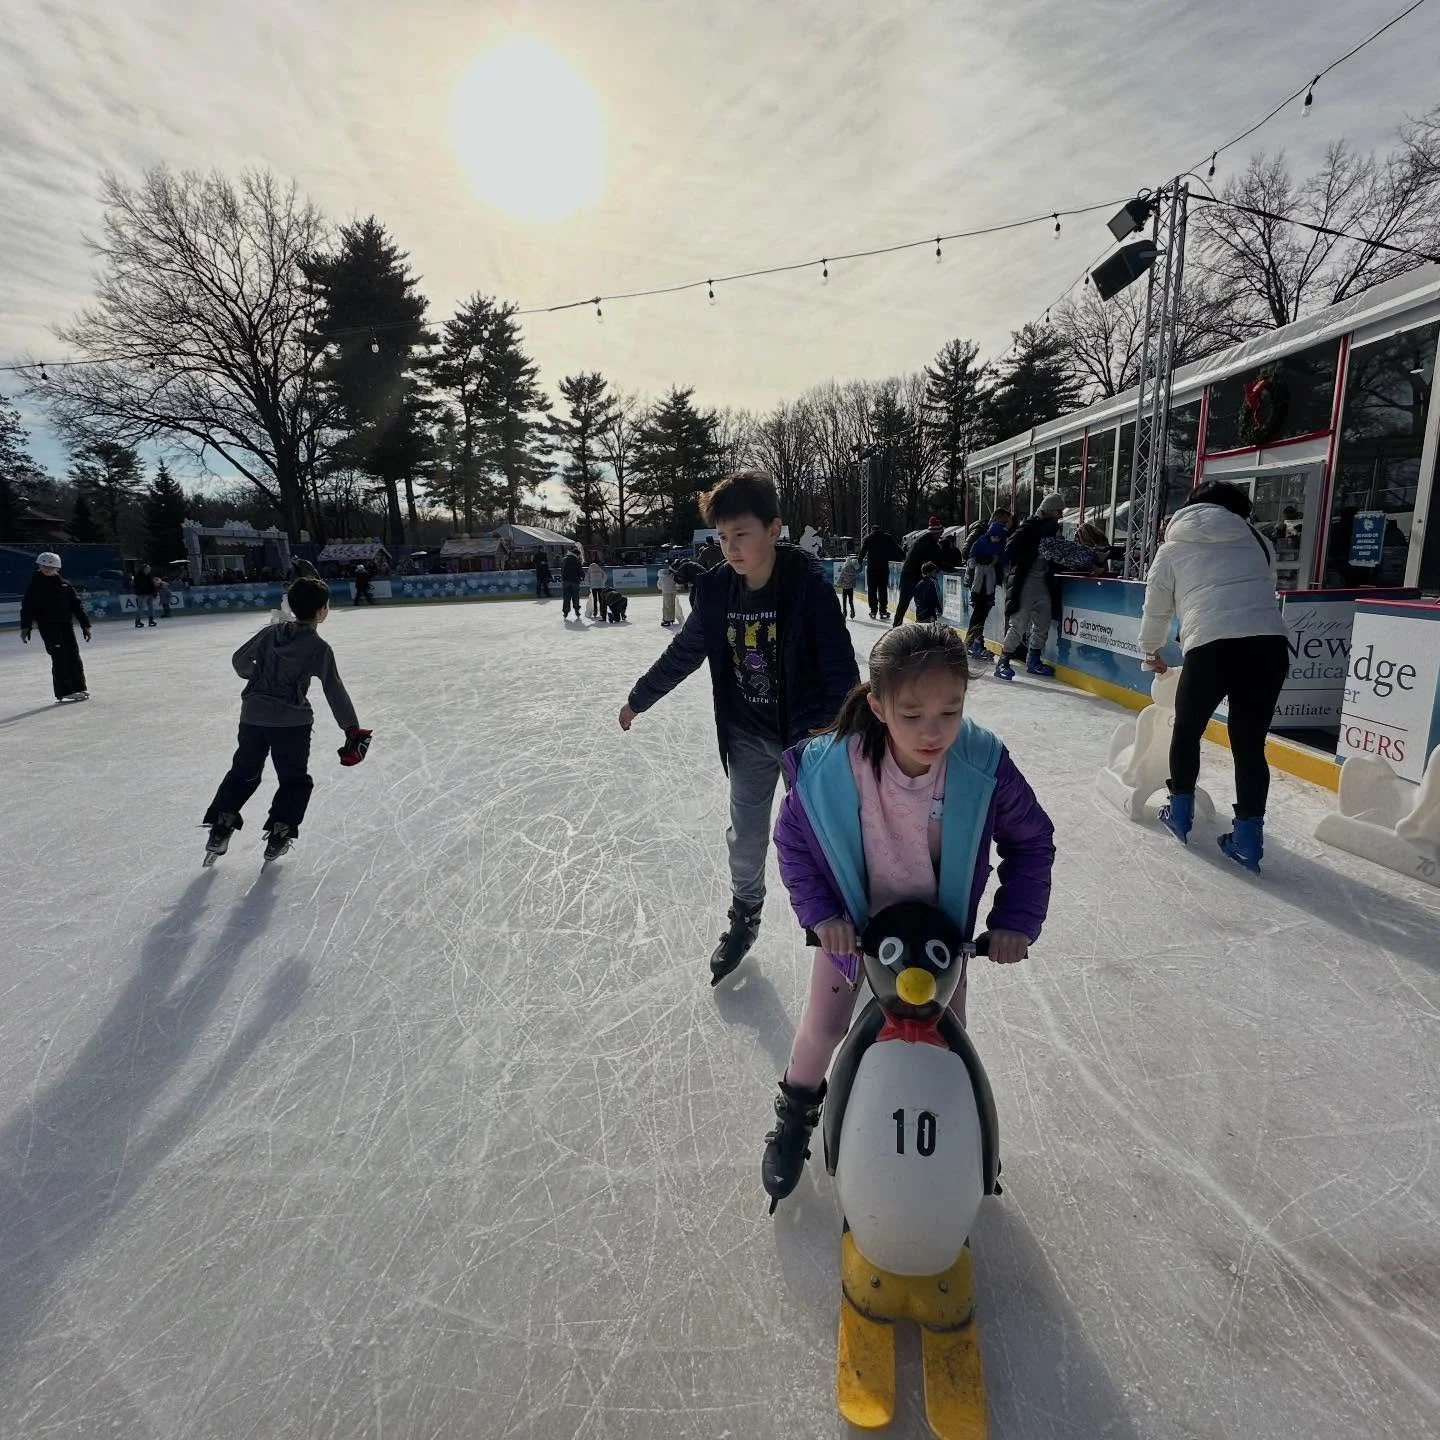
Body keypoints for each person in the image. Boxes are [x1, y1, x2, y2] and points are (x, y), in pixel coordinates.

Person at [763, 623, 1055, 1205]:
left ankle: (961, 1142)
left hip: (939, 939)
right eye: (913, 714)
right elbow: (792, 841)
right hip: (853, 932)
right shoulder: (832, 768)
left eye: (950, 712)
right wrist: (823, 917)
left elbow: (1032, 841)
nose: (933, 731)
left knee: (948, 1038)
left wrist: (1014, 922)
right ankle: (795, 1115)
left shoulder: (981, 763)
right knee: (823, 1028)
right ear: (877, 705)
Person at [618, 471, 859, 985]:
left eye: (741, 535)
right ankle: (744, 915)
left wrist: (845, 731)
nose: (731, 548)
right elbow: (685, 653)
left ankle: (847, 921)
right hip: (746, 735)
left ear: (774, 530)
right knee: (747, 837)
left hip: (807, 737)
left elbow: (839, 665)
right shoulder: (716, 591)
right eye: (723, 538)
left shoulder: (808, 587)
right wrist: (640, 698)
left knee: (821, 833)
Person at [1137, 480, 1290, 873]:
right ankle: (1248, 840)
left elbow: (1156, 607)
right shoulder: (1257, 539)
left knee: (1187, 731)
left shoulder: (1172, 547)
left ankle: (1181, 812)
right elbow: (1265, 586)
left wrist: (1151, 652)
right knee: (1250, 744)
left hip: (1212, 646)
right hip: (1268, 646)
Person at [201, 577, 370, 864]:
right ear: (322, 611)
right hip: (291, 722)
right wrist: (350, 729)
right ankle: (280, 832)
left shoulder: (271, 633)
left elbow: (239, 660)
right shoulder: (318, 647)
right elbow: (334, 689)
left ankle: (221, 826)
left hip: (253, 716)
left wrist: (258, 679)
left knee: (243, 773)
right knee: (293, 780)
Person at [994, 492, 1066, 681]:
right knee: (1019, 623)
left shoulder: (1054, 530)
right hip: (1025, 582)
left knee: (1042, 622)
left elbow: (1058, 554)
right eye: (1059, 510)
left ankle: (1033, 660)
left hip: (1043, 582)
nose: (1061, 515)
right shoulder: (1030, 526)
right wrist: (1025, 556)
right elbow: (1010, 549)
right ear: (1050, 509)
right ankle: (1003, 661)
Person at [19, 552, 92, 702]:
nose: (47, 569)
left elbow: (76, 605)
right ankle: (64, 691)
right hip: (48, 626)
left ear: (57, 568)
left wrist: (85, 625)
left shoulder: (64, 584)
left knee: (73, 655)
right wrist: (26, 626)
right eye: (44, 566)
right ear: (39, 566)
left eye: (50, 567)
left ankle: (79, 686)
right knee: (60, 656)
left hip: (66, 625)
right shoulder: (35, 585)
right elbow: (27, 607)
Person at [963, 510, 1010, 657]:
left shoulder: (1000, 536)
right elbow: (966, 551)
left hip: (987, 578)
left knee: (981, 612)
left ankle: (975, 642)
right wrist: (981, 560)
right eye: (1003, 522)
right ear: (996, 518)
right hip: (978, 579)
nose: (1005, 525)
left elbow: (1002, 555)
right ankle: (972, 643)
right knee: (979, 613)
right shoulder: (980, 531)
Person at [892, 517, 951, 627]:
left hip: (914, 574)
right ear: (934, 533)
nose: (940, 536)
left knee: (915, 601)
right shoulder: (926, 545)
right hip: (911, 575)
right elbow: (933, 561)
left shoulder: (928, 542)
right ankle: (897, 624)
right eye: (939, 533)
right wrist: (945, 567)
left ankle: (901, 624)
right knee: (906, 601)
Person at [858, 525, 903, 619]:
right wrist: (905, 557)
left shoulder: (868, 538)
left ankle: (873, 610)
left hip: (872, 568)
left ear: (871, 530)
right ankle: (883, 610)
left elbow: (862, 552)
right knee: (882, 589)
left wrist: (860, 562)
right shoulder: (887, 537)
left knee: (872, 589)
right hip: (883, 567)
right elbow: (897, 548)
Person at [560, 548, 585, 619]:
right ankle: (577, 610)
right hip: (575, 581)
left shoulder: (564, 559)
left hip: (565, 581)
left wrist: (563, 577)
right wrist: (583, 576)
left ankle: (565, 612)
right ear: (577, 554)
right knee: (575, 597)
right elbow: (580, 570)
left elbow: (561, 569)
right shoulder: (576, 560)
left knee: (566, 597)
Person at [132, 563, 158, 628]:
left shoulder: (148, 575)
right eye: (148, 568)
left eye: (149, 568)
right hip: (141, 594)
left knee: (151, 607)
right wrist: (144, 592)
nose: (149, 569)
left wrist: (154, 592)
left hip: (149, 593)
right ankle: (138, 621)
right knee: (141, 607)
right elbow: (139, 585)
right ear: (144, 569)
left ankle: (151, 620)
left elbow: (151, 584)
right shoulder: (138, 575)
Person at [657, 561, 681, 627]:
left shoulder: (661, 574)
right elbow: (677, 583)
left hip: (666, 591)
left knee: (667, 606)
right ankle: (671, 619)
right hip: (673, 591)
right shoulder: (674, 574)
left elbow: (659, 584)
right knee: (671, 605)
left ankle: (667, 620)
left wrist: (661, 588)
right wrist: (677, 588)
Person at [835, 554, 859, 619]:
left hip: (845, 588)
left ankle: (844, 612)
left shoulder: (844, 569)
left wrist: (837, 584)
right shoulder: (853, 569)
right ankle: (853, 611)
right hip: (851, 588)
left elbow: (841, 577)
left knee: (844, 601)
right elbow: (854, 579)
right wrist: (853, 585)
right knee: (851, 601)